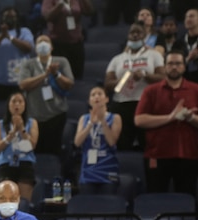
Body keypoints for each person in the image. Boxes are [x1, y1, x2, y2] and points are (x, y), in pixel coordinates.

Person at [134, 49, 198, 195]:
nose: (174, 67)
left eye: (178, 64)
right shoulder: (151, 91)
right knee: (156, 200)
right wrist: (170, 117)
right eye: (170, 64)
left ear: (184, 66)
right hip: (157, 155)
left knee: (186, 203)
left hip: (189, 155)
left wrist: (190, 118)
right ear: (164, 66)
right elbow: (139, 120)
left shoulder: (195, 90)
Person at [105, 23, 165, 151]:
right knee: (123, 144)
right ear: (128, 36)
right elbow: (107, 84)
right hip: (121, 104)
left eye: (139, 32)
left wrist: (145, 75)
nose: (135, 35)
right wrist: (121, 81)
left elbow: (163, 78)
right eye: (132, 32)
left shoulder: (154, 55)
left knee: (147, 144)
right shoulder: (117, 59)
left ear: (144, 36)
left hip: (145, 103)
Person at [17, 35, 74, 155]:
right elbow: (23, 85)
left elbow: (69, 84)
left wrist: (56, 74)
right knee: (35, 150)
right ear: (36, 47)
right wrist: (45, 75)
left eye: (46, 41)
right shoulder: (28, 64)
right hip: (34, 116)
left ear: (51, 47)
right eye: (39, 42)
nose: (43, 43)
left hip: (56, 115)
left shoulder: (61, 61)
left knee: (54, 151)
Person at [74, 86, 122, 195]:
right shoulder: (84, 118)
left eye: (100, 94)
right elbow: (77, 142)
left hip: (108, 168)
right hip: (89, 169)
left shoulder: (115, 118)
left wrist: (103, 122)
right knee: (88, 206)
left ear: (106, 99)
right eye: (93, 94)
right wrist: (91, 124)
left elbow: (112, 142)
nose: (96, 97)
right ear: (89, 101)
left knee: (107, 205)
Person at [0, 91, 39, 201]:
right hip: (6, 164)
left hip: (25, 164)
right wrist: (11, 134)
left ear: (25, 105)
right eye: (14, 101)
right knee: (6, 201)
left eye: (20, 102)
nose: (17, 105)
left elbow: (32, 145)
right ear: (8, 105)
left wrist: (22, 129)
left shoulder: (32, 123)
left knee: (23, 202)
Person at [0, 7, 34, 101]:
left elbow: (28, 48)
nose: (9, 19)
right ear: (2, 18)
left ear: (17, 18)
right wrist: (2, 36)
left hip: (19, 80)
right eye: (6, 16)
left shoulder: (24, 31)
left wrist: (10, 37)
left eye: (12, 16)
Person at [40, 0, 94, 80]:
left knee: (77, 76)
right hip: (58, 45)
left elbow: (90, 11)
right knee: (59, 78)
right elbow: (47, 16)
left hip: (76, 43)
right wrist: (61, 4)